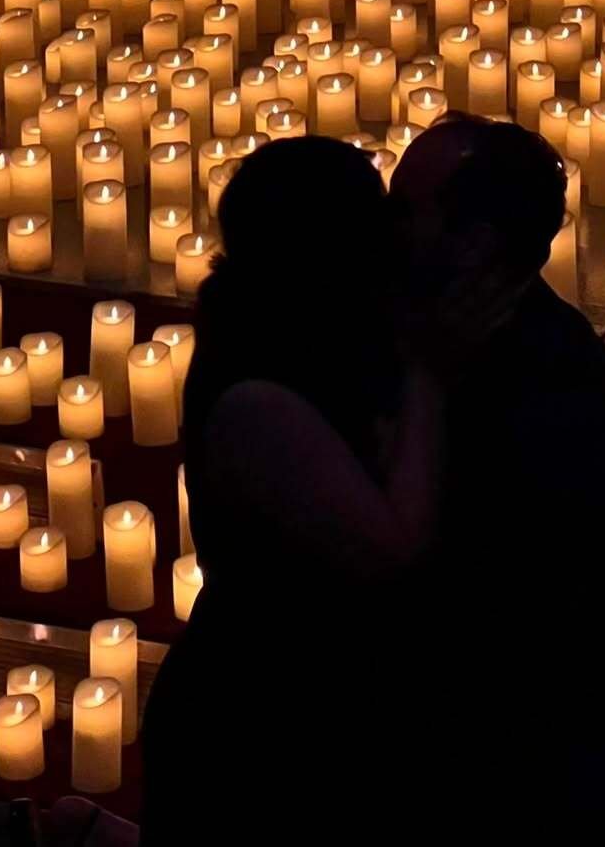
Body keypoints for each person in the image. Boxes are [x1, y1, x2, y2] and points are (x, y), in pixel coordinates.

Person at [389, 115, 605, 846]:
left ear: (474, 244)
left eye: (402, 212)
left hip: (586, 791)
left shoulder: (542, 392)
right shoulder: (477, 344)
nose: (380, 234)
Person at [140, 136, 440, 846]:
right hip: (262, 726)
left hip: (311, 706)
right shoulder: (259, 401)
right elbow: (392, 547)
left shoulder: (309, 357)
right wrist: (432, 367)